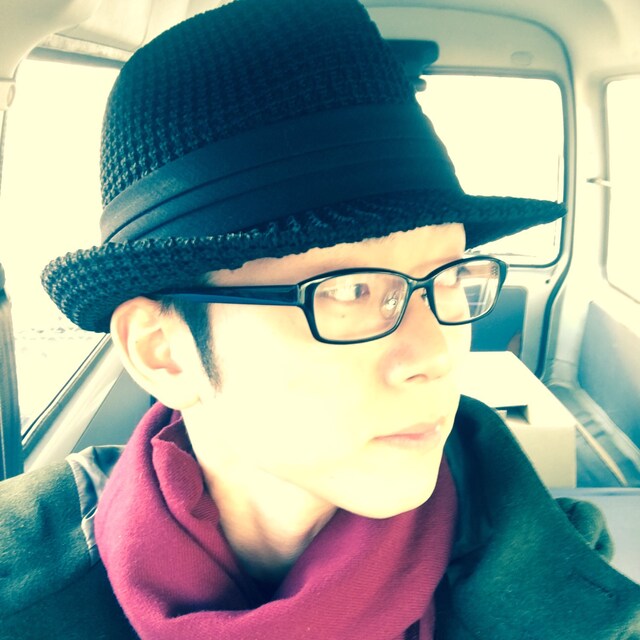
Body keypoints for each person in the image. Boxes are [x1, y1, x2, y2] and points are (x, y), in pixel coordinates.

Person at [1, 0, 639, 638]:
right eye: (351, 290)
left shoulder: (567, 589)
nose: (436, 355)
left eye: (448, 277)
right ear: (163, 350)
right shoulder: (22, 580)